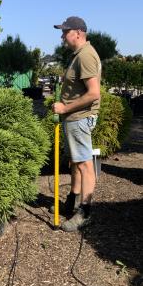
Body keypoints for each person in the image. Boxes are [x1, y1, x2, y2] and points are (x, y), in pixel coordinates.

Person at [52, 16, 101, 232]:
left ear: (78, 33)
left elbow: (93, 94)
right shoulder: (78, 55)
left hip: (80, 118)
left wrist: (64, 108)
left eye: (65, 31)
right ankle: (73, 198)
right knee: (76, 162)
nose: (62, 36)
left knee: (84, 164)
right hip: (74, 118)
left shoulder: (86, 56)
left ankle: (85, 212)